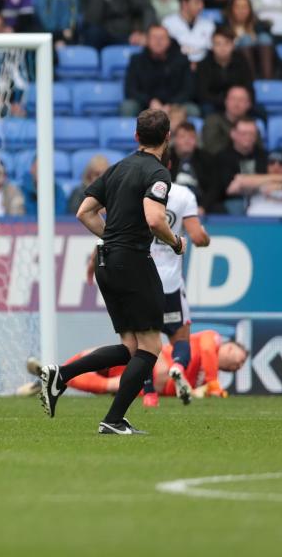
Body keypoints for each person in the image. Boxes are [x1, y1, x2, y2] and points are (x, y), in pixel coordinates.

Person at [38, 109, 185, 435]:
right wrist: (176, 243)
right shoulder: (158, 173)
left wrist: (111, 238)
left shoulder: (117, 168)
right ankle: (113, 420)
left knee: (132, 348)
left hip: (107, 261)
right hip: (132, 260)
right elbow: (154, 219)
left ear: (136, 137)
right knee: (150, 348)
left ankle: (61, 374)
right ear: (167, 137)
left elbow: (84, 212)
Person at [139, 180, 210, 406]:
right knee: (180, 336)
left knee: (144, 342)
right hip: (169, 283)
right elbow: (198, 238)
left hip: (142, 279)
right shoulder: (183, 194)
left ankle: (149, 394)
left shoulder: (137, 189)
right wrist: (204, 237)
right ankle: (178, 366)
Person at [22, 331, 248, 399]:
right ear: (229, 348)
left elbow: (187, 395)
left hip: (149, 385)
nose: (240, 365)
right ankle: (54, 374)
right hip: (152, 362)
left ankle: (49, 376)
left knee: (111, 385)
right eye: (241, 358)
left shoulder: (208, 382)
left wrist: (205, 390)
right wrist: (213, 383)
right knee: (94, 356)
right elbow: (208, 350)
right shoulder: (213, 339)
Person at [121, 25, 198, 118]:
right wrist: (150, 101)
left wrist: (171, 104)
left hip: (174, 106)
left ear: (169, 41)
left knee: (193, 110)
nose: (158, 41)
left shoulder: (181, 60)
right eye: (154, 38)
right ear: (147, 40)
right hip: (145, 105)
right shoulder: (136, 60)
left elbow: (188, 90)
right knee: (127, 107)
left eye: (162, 38)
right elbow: (130, 89)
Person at [211, 117, 269, 214]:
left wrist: (241, 182)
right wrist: (257, 183)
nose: (248, 137)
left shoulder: (263, 156)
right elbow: (228, 189)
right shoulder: (222, 157)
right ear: (233, 134)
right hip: (232, 201)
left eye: (251, 134)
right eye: (243, 133)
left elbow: (267, 183)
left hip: (261, 199)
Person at [195, 28, 255, 116]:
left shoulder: (242, 62)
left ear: (233, 45)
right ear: (212, 46)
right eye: (218, 44)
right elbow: (202, 93)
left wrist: (238, 101)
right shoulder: (203, 65)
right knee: (206, 109)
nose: (222, 48)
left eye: (227, 43)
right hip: (214, 104)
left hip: (238, 102)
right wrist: (226, 102)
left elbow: (248, 87)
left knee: (259, 111)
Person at [224, 0, 275, 80]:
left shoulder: (260, 26)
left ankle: (268, 82)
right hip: (236, 63)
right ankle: (250, 80)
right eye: (238, 7)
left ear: (250, 10)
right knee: (246, 39)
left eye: (244, 7)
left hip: (259, 62)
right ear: (231, 9)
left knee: (264, 37)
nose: (241, 10)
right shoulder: (224, 27)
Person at [169, 121, 216, 213]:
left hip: (199, 203)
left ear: (196, 140)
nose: (187, 141)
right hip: (171, 203)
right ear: (174, 139)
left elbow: (214, 187)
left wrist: (203, 207)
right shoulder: (166, 158)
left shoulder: (206, 158)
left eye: (191, 137)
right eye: (182, 137)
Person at [162, 0, 216, 64]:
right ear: (184, 3)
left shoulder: (209, 25)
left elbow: (211, 49)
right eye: (197, 2)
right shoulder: (168, 23)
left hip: (204, 66)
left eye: (202, 2)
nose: (201, 6)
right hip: (176, 66)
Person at [201, 85, 256, 154]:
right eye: (233, 99)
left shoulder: (251, 124)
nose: (237, 103)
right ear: (226, 101)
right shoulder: (213, 121)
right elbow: (211, 148)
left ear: (249, 104)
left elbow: (258, 149)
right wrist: (235, 139)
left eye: (241, 100)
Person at [230, 150, 282, 216]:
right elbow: (233, 188)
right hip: (256, 221)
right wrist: (274, 179)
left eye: (281, 163)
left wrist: (278, 186)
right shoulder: (258, 182)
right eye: (271, 162)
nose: (276, 166)